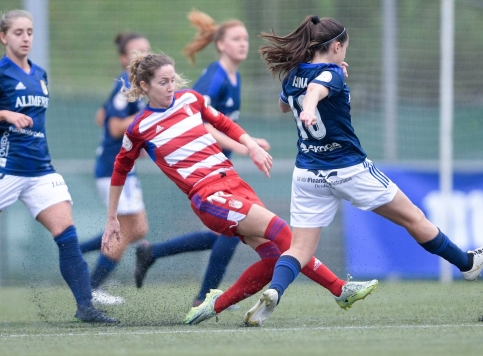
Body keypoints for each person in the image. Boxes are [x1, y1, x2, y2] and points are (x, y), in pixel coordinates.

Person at [244, 15, 483, 325]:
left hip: (308, 175)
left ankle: (275, 292)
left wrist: (311, 98)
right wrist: (313, 103)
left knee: (299, 249)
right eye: (345, 48)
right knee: (413, 218)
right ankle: (467, 264)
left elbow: (286, 105)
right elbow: (314, 93)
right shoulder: (331, 75)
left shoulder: (294, 75)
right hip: (349, 169)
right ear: (336, 45)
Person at [101, 52, 377, 326]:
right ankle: (340, 289)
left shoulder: (190, 100)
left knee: (274, 258)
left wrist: (252, 146)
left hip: (233, 182)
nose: (171, 87)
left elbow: (222, 122)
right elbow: (120, 169)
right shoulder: (139, 127)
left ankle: (215, 304)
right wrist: (112, 216)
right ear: (145, 86)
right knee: (282, 231)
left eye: (173, 79)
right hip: (208, 196)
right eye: (163, 82)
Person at [0, 10, 115, 323]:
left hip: (41, 171)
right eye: (18, 32)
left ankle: (85, 307)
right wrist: (3, 114)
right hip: (4, 168)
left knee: (67, 234)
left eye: (30, 32)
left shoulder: (41, 74)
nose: (26, 38)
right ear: (4, 37)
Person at [133, 10, 270, 308]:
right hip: (203, 170)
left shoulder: (234, 76)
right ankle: (203, 297)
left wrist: (247, 141)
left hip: (221, 170)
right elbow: (202, 122)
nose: (243, 43)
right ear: (220, 44)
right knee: (233, 234)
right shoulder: (215, 77)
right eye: (236, 38)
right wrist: (243, 146)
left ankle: (153, 252)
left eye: (246, 38)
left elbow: (224, 121)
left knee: (226, 234)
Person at [78, 32, 151, 306]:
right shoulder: (127, 83)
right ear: (124, 60)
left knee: (139, 228)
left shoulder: (136, 85)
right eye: (136, 52)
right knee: (125, 230)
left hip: (120, 168)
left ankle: (75, 252)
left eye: (146, 50)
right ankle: (91, 287)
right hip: (114, 169)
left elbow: (101, 116)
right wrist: (146, 119)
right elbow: (112, 126)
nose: (142, 55)